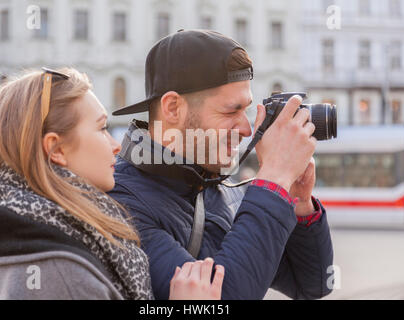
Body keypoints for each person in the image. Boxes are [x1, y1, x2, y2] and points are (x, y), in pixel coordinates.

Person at [0, 67, 224, 300]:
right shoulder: (58, 272)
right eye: (101, 128)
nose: (116, 144)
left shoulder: (15, 234)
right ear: (56, 149)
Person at [109, 29, 334, 300]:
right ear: (172, 108)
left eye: (247, 110)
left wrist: (299, 204)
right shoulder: (120, 204)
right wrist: (275, 179)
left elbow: (312, 284)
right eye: (231, 111)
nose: (247, 129)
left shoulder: (217, 187)